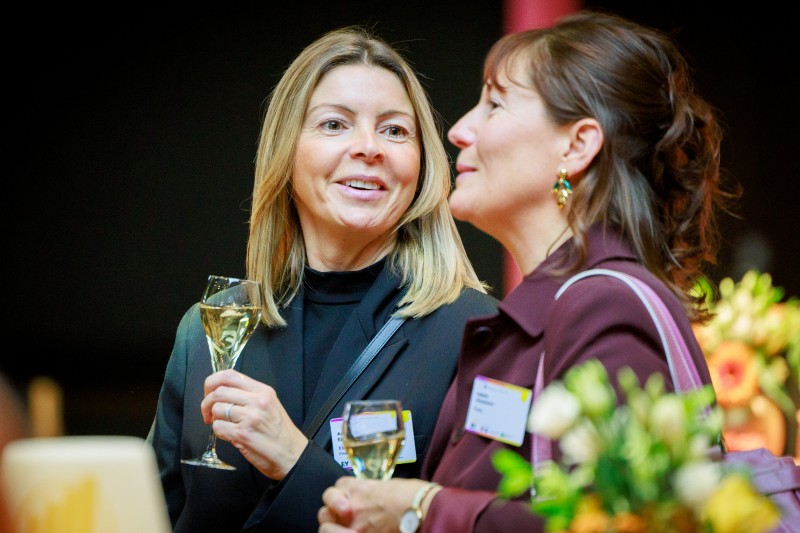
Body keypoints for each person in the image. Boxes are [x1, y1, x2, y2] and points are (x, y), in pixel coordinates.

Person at [318, 10, 733, 532]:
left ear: (576, 146)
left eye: (494, 104)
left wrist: (421, 509)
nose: (459, 130)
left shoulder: (602, 305)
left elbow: (618, 523)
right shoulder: (538, 318)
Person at [147, 26, 498, 533]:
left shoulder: (476, 332)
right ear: (286, 151)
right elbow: (151, 513)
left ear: (422, 165)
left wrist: (295, 460)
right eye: (335, 124)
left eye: (395, 131)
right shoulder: (210, 330)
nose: (369, 147)